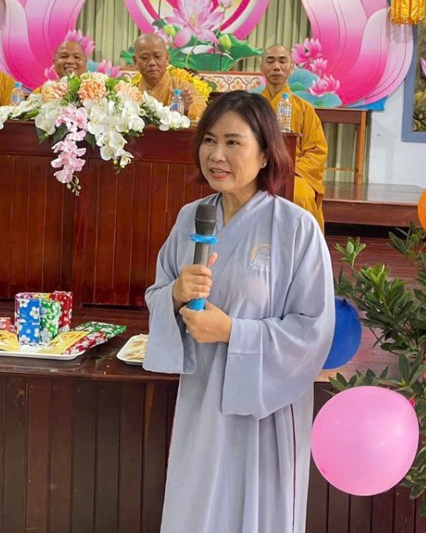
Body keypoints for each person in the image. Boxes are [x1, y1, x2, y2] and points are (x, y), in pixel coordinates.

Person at [143, 91, 335, 533]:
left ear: (265, 153)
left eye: (233, 142)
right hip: (202, 398)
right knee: (198, 511)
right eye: (210, 140)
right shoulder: (191, 218)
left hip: (266, 408)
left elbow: (313, 331)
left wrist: (232, 331)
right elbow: (157, 295)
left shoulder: (296, 228)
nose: (217, 155)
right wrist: (175, 294)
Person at [258, 44, 328, 230]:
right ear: (261, 67)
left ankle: (304, 245)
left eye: (282, 61)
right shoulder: (252, 107)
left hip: (293, 173)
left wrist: (289, 171)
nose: (276, 67)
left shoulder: (305, 109)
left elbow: (317, 151)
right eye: (270, 61)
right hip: (256, 171)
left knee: (300, 195)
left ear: (291, 68)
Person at [132, 34, 206, 121]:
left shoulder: (183, 88)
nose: (152, 62)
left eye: (157, 56)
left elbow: (203, 114)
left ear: (167, 58)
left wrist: (185, 109)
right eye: (144, 58)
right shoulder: (130, 92)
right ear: (135, 61)